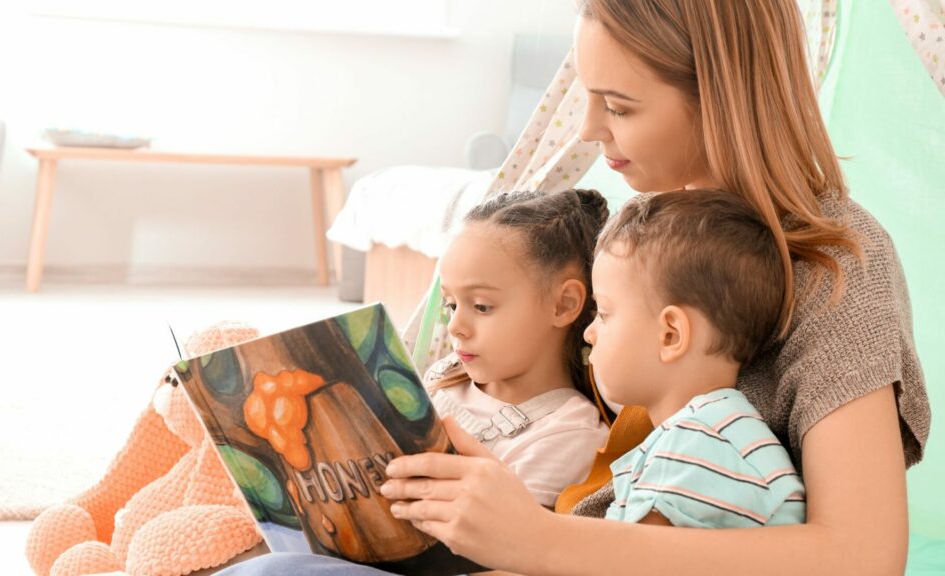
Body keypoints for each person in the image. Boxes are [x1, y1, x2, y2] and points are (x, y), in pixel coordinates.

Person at [218, 1, 930, 574]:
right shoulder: (641, 226)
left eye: (618, 106)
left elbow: (862, 556)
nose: (589, 131)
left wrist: (538, 541)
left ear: (719, 97)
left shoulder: (838, 263)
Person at [586, 189, 804, 528]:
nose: (589, 333)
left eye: (603, 313)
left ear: (671, 334)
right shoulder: (708, 434)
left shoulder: (697, 445)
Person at [423, 188, 610, 510]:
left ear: (564, 304)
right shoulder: (446, 374)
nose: (455, 326)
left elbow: (508, 545)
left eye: (481, 306)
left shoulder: (568, 435)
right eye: (451, 304)